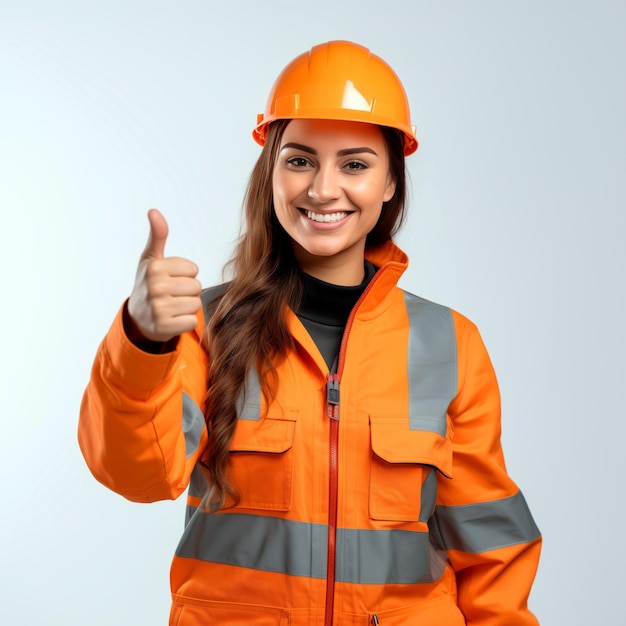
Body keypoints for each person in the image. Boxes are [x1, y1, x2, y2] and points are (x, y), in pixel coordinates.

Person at [78, 40, 541, 626]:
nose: (323, 189)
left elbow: (491, 548)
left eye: (354, 164)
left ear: (391, 181)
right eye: (299, 160)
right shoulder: (203, 328)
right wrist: (143, 342)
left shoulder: (451, 345)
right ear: (270, 169)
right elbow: (137, 475)